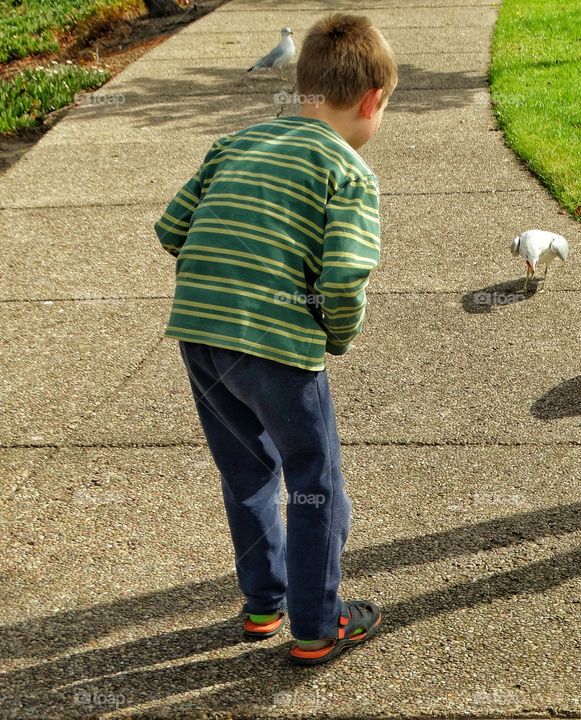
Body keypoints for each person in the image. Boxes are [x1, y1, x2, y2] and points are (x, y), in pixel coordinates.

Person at [153, 13, 397, 666]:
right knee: (315, 481)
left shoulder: (233, 145)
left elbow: (170, 228)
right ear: (372, 101)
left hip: (200, 337)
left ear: (304, 88)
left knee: (246, 470)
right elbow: (344, 278)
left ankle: (264, 602)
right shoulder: (347, 174)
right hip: (276, 348)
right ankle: (319, 623)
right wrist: (336, 338)